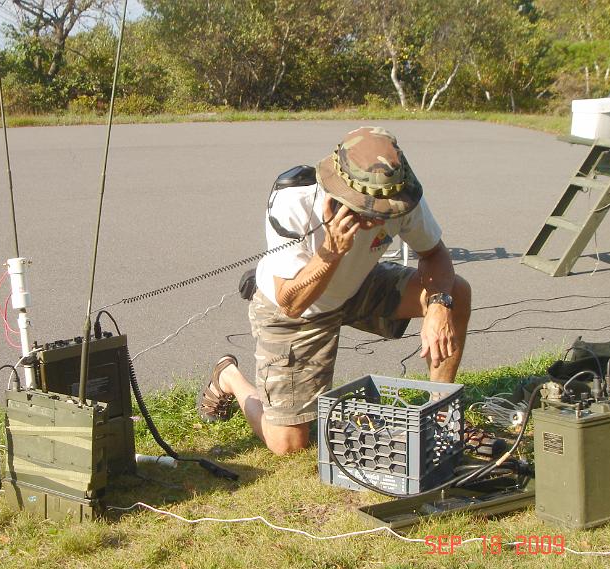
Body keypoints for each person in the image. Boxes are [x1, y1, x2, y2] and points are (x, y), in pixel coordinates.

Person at [198, 126, 471, 455]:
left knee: (456, 292)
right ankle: (228, 377)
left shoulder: (401, 193)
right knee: (288, 445)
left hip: (355, 284)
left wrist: (440, 306)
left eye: (384, 212)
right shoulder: (294, 199)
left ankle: (439, 415)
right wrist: (331, 251)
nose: (376, 220)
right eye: (366, 210)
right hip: (297, 303)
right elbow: (291, 302)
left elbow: (435, 254)